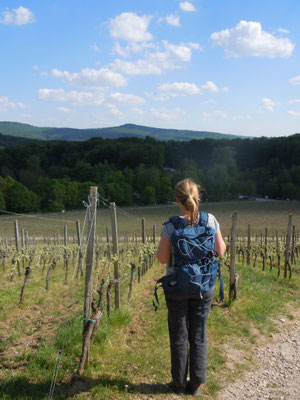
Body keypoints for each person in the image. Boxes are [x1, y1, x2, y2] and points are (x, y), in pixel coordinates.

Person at [156, 178, 226, 396]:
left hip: (177, 287)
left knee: (178, 335)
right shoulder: (210, 220)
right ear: (198, 197)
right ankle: (195, 385)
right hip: (203, 287)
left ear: (177, 200)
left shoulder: (170, 225)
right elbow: (221, 251)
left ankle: (178, 383)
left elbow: (162, 258)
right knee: (199, 334)